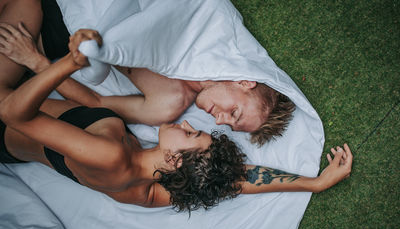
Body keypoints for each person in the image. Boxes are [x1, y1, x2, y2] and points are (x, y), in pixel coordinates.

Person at [0, 6, 353, 212]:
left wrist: (64, 62)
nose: (189, 125)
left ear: (174, 160)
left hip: (7, 104)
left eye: (192, 134)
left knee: (27, 6)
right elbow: (234, 179)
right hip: (33, 98)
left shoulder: (109, 156)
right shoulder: (156, 189)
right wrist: (314, 183)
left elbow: (13, 113)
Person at [0, 0, 294, 146]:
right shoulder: (213, 26)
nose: (219, 119)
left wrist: (36, 61)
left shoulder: (168, 102)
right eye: (235, 113)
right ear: (246, 82)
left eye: (228, 125)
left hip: (48, 33)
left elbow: (96, 104)